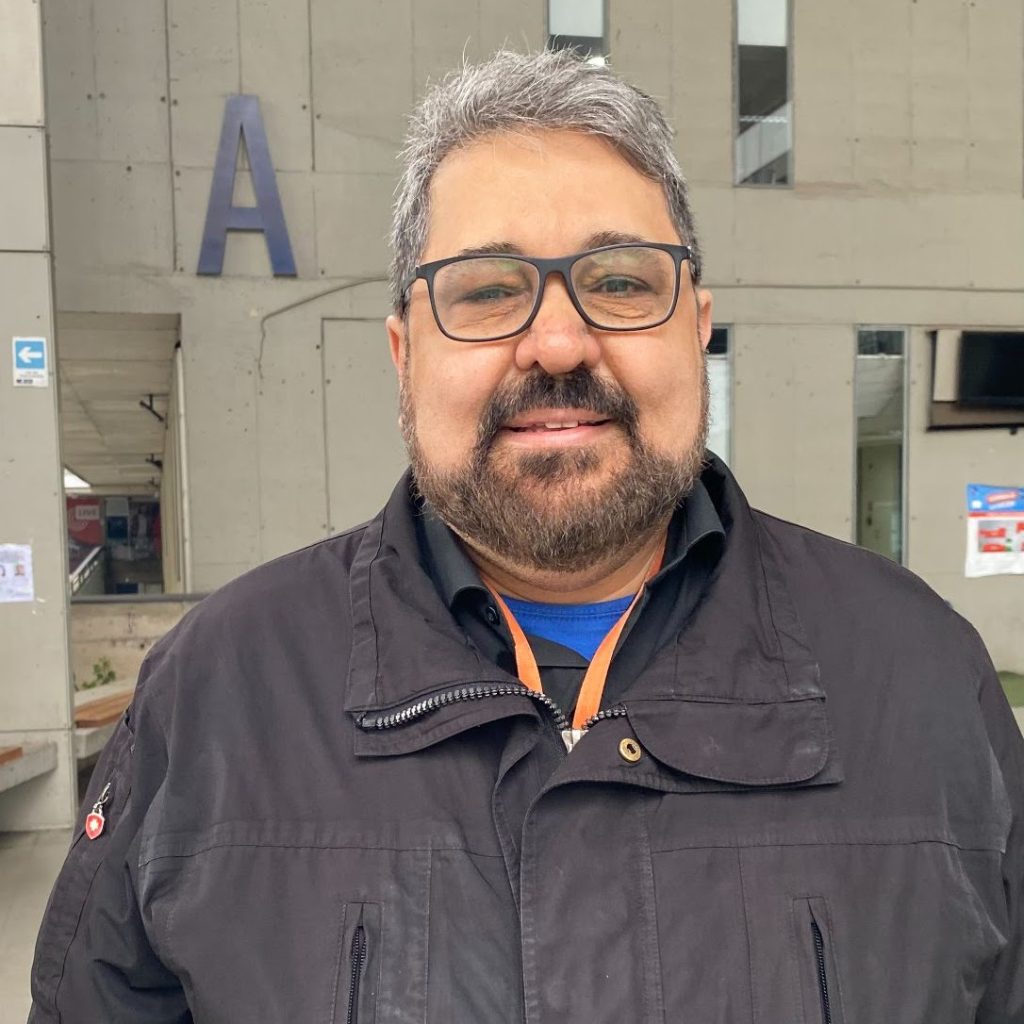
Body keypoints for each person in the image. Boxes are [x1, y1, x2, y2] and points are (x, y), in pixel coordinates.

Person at [30, 49, 1023, 1023]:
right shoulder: (217, 696)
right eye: (487, 290)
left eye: (620, 282)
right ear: (404, 354)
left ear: (696, 328)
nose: (556, 343)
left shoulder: (919, 676)